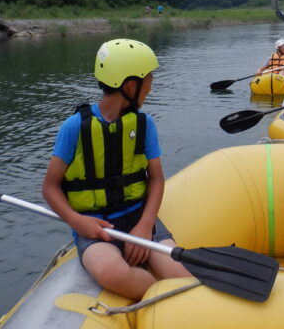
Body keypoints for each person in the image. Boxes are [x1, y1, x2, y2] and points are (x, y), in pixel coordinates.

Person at [42, 39, 191, 300]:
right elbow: (50, 187)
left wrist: (145, 226)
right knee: (112, 273)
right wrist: (77, 221)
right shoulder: (74, 127)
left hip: (139, 216)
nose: (152, 86)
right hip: (96, 225)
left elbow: (156, 180)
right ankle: (156, 296)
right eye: (149, 79)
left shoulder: (145, 124)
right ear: (130, 85)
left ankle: (171, 291)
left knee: (181, 275)